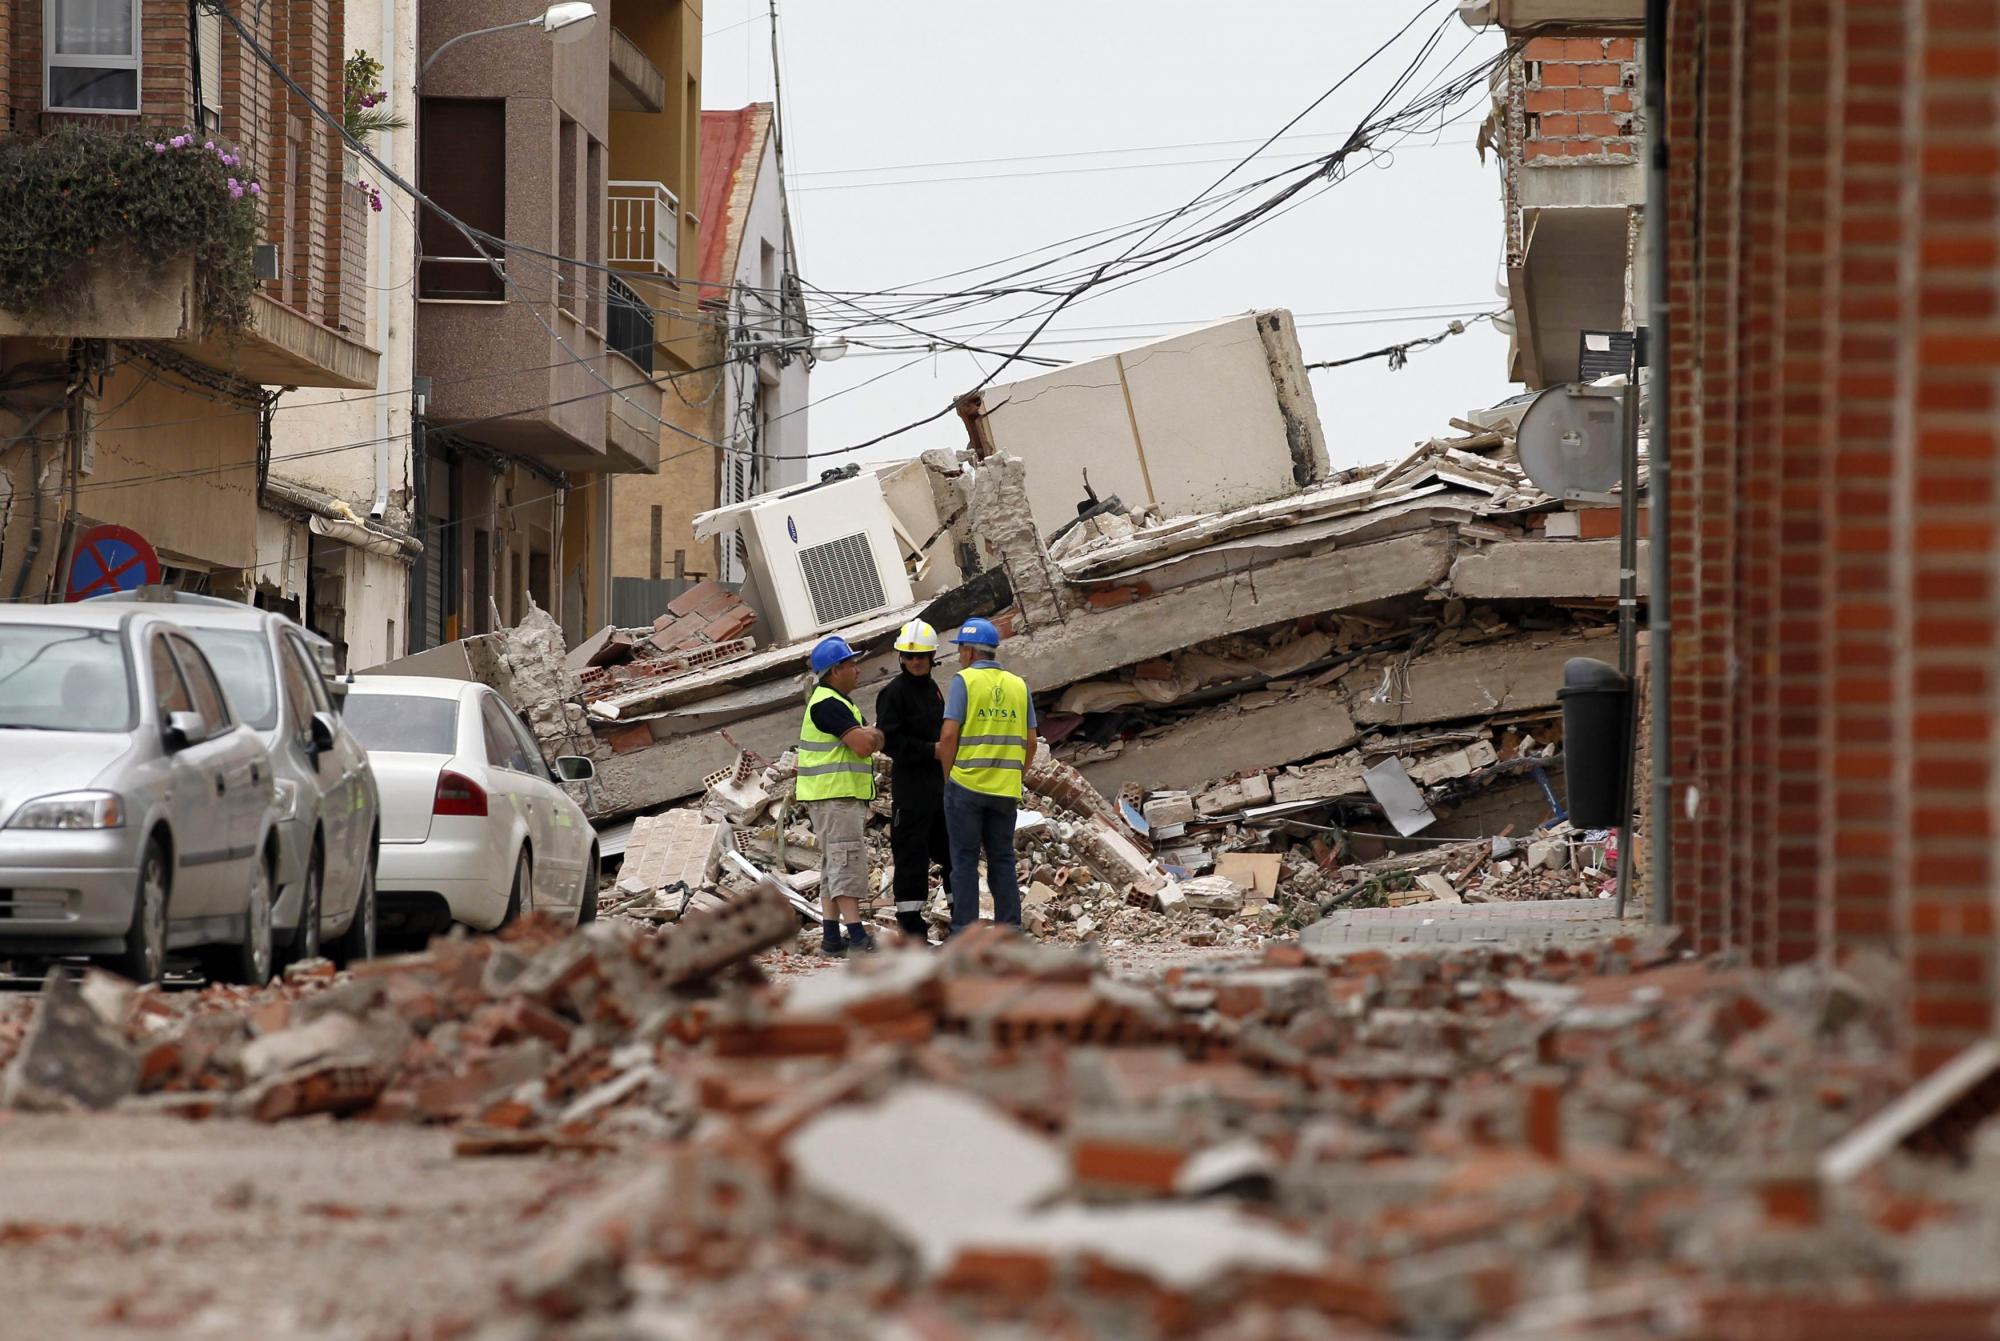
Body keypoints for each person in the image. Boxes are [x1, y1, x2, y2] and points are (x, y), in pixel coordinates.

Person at [935, 617, 1038, 936]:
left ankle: (965, 933)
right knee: (1002, 858)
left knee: (964, 861)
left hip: (966, 785)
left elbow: (948, 735)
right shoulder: (1018, 685)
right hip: (1004, 790)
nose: (959, 656)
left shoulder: (964, 681)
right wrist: (1015, 775)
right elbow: (1031, 742)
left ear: (968, 651)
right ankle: (1011, 930)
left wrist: (949, 776)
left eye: (960, 650)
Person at [797, 634, 883, 955]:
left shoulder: (837, 703)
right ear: (835, 670)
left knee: (832, 864)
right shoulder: (828, 705)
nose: (857, 670)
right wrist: (873, 734)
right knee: (846, 861)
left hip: (831, 797)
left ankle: (831, 938)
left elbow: (870, 737)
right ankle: (858, 936)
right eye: (851, 664)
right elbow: (864, 744)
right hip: (835, 797)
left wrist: (871, 735)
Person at [875, 619, 952, 940]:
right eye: (910, 656)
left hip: (940, 789)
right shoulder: (893, 693)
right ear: (901, 658)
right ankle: (912, 929)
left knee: (951, 854)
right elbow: (889, 741)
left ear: (932, 656)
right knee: (911, 858)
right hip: (911, 791)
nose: (916, 661)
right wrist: (930, 750)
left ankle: (960, 919)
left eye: (921, 655)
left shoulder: (934, 690)